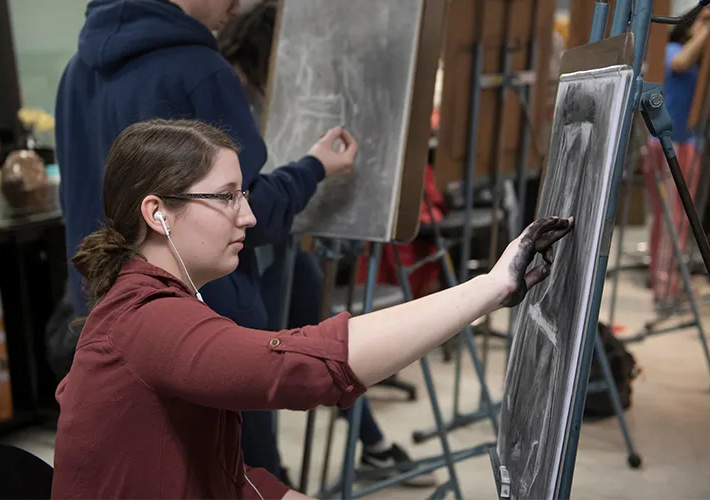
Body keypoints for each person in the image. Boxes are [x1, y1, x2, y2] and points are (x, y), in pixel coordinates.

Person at [51, 118, 574, 499]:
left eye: (243, 195)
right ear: (158, 213)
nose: (248, 215)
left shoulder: (148, 301)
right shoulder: (145, 319)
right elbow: (296, 367)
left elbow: (208, 468)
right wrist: (489, 288)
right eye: (227, 196)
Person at [217, 1, 434, 487]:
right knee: (269, 365)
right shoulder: (230, 90)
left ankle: (370, 444)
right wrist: (311, 170)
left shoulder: (248, 86)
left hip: (280, 243)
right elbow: (249, 191)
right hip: (250, 251)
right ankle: (274, 475)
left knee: (326, 344)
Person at [55, 0, 353, 325]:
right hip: (200, 319)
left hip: (108, 312)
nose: (236, 9)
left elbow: (74, 200)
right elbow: (246, 212)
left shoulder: (75, 72)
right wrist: (314, 167)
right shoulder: (200, 69)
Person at [643, 6, 710, 305]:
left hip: (687, 143)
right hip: (669, 144)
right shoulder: (672, 50)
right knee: (670, 218)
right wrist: (706, 27)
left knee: (677, 218)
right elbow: (681, 63)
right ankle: (664, 285)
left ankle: (668, 279)